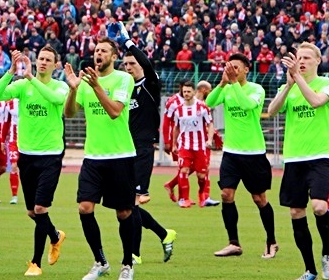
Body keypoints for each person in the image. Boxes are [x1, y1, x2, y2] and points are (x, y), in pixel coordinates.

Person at [64, 37, 137, 280]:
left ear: (113, 56)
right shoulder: (85, 82)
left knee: (124, 213)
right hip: (93, 156)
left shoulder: (123, 79)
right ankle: (100, 261)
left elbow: (115, 111)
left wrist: (95, 86)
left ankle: (127, 263)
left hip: (120, 155)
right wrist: (73, 89)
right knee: (84, 207)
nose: (99, 54)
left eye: (104, 50)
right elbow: (69, 113)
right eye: (96, 50)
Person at [0, 47, 68, 277]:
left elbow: (55, 99)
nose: (43, 62)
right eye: (40, 59)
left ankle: (35, 263)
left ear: (56, 65)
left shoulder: (59, 86)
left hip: (51, 155)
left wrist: (31, 78)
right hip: (27, 155)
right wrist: (10, 71)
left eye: (48, 60)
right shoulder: (23, 86)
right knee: (32, 213)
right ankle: (55, 236)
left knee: (40, 208)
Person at [267, 43, 329, 280]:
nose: (303, 61)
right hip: (295, 159)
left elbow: (317, 102)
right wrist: (288, 85)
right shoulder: (291, 86)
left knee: (319, 207)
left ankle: (327, 252)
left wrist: (298, 78)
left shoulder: (328, 84)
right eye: (299, 58)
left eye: (307, 57)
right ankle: (309, 270)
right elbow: (272, 110)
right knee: (297, 212)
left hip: (321, 157)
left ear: (318, 60)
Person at [110, 24, 177, 265]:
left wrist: (127, 42)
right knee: (127, 205)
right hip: (125, 150)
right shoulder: (123, 89)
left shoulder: (149, 85)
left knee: (133, 203)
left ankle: (135, 254)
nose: (128, 68)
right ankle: (163, 234)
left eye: (132, 64)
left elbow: (147, 65)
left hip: (143, 151)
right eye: (125, 64)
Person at [204, 53, 278, 259]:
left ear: (246, 69)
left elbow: (246, 105)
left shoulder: (256, 89)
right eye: (230, 67)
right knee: (226, 194)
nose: (232, 70)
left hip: (253, 153)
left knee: (259, 198)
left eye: (236, 67)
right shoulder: (227, 88)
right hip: (231, 152)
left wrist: (233, 84)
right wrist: (222, 83)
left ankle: (271, 240)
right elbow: (209, 102)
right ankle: (233, 243)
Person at [171, 80, 215, 208]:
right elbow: (176, 128)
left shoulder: (202, 107)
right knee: (183, 170)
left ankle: (202, 195)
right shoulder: (178, 110)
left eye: (188, 91)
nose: (186, 94)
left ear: (194, 92)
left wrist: (209, 139)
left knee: (201, 175)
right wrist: (174, 144)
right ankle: (184, 199)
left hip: (200, 145)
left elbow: (210, 124)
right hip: (184, 145)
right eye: (184, 92)